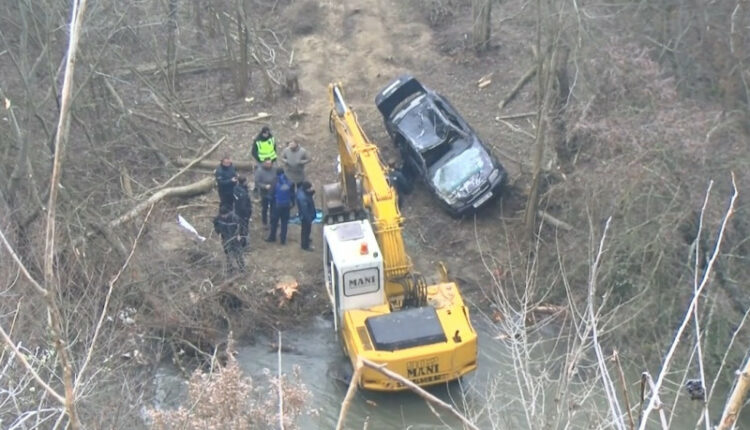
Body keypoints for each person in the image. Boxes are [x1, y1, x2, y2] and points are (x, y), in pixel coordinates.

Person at [213, 205, 245, 273]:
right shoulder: (218, 219)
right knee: (228, 254)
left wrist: (240, 235)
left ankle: (242, 268)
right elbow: (215, 225)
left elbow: (241, 227)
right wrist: (219, 232)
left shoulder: (234, 218)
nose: (224, 217)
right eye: (222, 215)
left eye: (225, 215)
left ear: (228, 213)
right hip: (225, 239)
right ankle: (230, 268)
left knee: (238, 254)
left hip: (235, 238)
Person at [265, 168, 292, 245]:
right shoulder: (288, 181)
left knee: (274, 222)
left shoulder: (274, 181)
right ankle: (283, 239)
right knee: (284, 222)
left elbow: (270, 194)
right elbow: (292, 193)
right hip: (286, 205)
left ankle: (272, 237)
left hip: (276, 205)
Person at [253, 159, 276, 226]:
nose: (268, 165)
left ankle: (273, 221)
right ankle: (264, 222)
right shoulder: (259, 171)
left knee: (273, 208)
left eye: (270, 163)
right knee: (265, 208)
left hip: (273, 192)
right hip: (264, 193)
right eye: (267, 163)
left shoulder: (274, 170)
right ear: (264, 163)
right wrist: (264, 186)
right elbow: (257, 182)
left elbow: (277, 178)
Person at [296, 181, 316, 251]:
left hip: (306, 216)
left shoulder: (303, 192)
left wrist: (311, 193)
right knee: (306, 230)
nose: (310, 189)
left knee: (306, 230)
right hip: (305, 217)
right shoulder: (302, 198)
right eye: (309, 188)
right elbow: (305, 210)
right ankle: (305, 245)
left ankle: (306, 240)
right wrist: (309, 219)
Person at [233, 176, 252, 250]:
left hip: (237, 211)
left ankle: (239, 243)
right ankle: (244, 246)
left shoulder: (235, 188)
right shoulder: (243, 193)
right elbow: (244, 205)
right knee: (244, 229)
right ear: (244, 182)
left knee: (240, 228)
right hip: (243, 214)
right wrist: (247, 214)